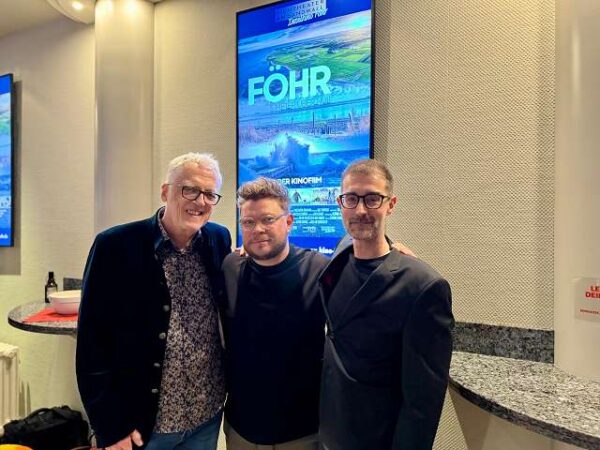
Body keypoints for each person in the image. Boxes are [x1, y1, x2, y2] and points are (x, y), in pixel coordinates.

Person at [76, 153, 231, 450]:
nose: (200, 201)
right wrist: (110, 426)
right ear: (165, 192)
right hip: (143, 426)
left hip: (205, 416)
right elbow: (91, 343)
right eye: (190, 190)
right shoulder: (115, 246)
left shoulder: (218, 239)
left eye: (210, 194)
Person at [318, 159, 454, 450]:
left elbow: (423, 402)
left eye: (372, 199)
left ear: (390, 204)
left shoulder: (423, 286)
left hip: (377, 438)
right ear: (340, 203)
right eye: (351, 199)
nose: (360, 210)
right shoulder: (340, 255)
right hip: (330, 431)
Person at [221, 177, 328, 450]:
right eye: (248, 222)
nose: (258, 229)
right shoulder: (231, 267)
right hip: (241, 430)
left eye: (268, 219)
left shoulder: (320, 270)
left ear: (289, 221)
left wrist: (391, 252)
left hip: (301, 433)